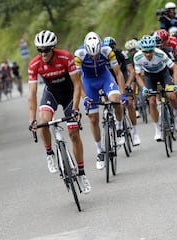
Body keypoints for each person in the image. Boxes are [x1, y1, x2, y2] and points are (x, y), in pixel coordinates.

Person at [28, 30, 91, 194]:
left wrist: (76, 109)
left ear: (54, 48)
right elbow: (32, 94)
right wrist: (31, 120)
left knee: (74, 134)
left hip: (69, 94)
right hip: (51, 94)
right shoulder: (35, 64)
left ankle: (82, 173)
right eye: (39, 50)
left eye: (46, 50)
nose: (42, 54)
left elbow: (77, 84)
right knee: (43, 121)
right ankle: (49, 152)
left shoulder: (65, 57)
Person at [74, 32, 128, 170]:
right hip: (88, 81)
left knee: (115, 100)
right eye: (91, 55)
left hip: (105, 78)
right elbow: (77, 80)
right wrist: (85, 97)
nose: (94, 57)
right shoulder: (79, 54)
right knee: (93, 118)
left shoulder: (107, 50)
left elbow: (118, 73)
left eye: (96, 54)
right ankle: (100, 151)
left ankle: (120, 127)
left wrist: (122, 94)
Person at [133, 35, 177, 140]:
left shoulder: (160, 54)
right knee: (151, 101)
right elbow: (137, 75)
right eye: (145, 51)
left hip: (163, 74)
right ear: (141, 50)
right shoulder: (137, 57)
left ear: (154, 49)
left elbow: (175, 68)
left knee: (171, 95)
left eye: (150, 51)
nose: (148, 54)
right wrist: (144, 88)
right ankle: (157, 129)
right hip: (150, 77)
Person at [103, 36, 141, 146]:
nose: (110, 50)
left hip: (123, 77)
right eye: (108, 48)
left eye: (112, 47)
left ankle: (135, 132)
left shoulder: (121, 54)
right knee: (108, 100)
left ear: (115, 47)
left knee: (129, 103)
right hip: (110, 79)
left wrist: (128, 84)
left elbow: (131, 71)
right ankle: (111, 114)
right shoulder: (102, 57)